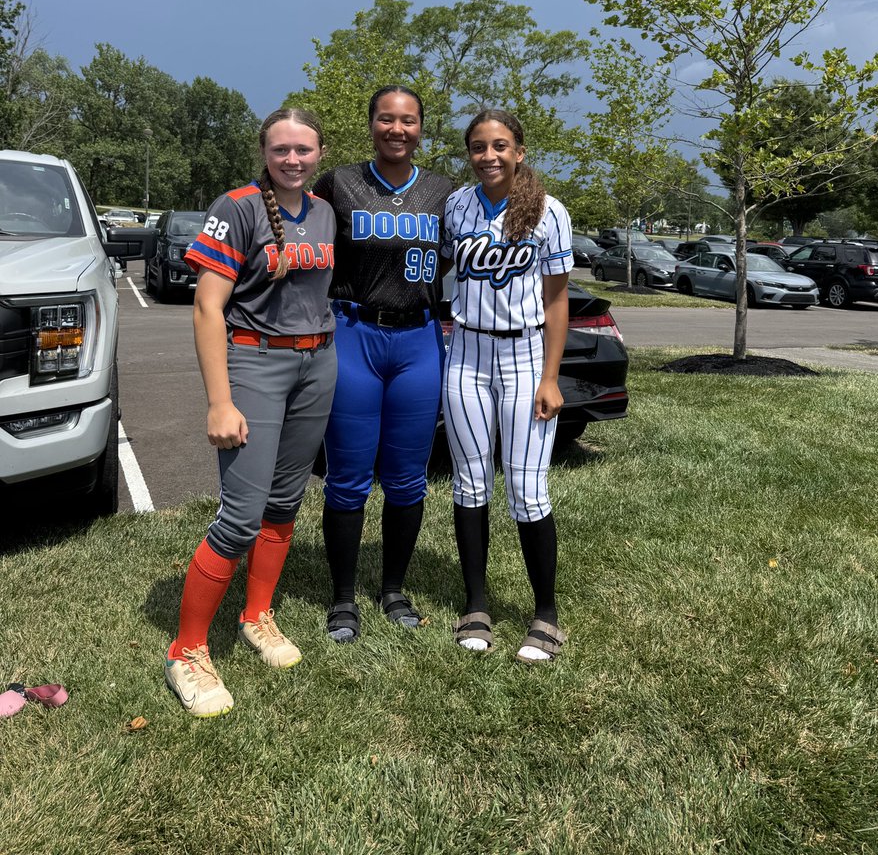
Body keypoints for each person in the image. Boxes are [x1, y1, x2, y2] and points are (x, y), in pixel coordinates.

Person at [164, 108, 337, 717]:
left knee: (285, 501)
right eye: (281, 149)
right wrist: (219, 400)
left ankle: (256, 615)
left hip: (317, 363)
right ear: (265, 152)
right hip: (254, 363)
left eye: (304, 150)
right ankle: (185, 649)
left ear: (319, 153)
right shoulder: (236, 207)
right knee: (239, 517)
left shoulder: (323, 211)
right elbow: (208, 309)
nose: (293, 159)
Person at [312, 86, 453, 643]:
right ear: (371, 123)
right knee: (347, 478)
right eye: (386, 119)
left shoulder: (445, 191)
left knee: (407, 479)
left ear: (422, 128)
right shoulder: (339, 183)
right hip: (354, 334)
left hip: (418, 339)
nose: (398, 129)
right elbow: (288, 215)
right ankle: (343, 596)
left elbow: (493, 227)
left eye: (409, 120)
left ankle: (393, 587)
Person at [441, 109, 573, 663]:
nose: (488, 156)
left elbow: (558, 300)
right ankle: (477, 604)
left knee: (527, 487)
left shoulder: (549, 212)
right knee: (470, 484)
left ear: (519, 150)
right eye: (477, 147)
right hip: (466, 351)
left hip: (524, 353)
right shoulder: (457, 206)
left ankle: (546, 613)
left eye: (499, 145)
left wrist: (551, 377)